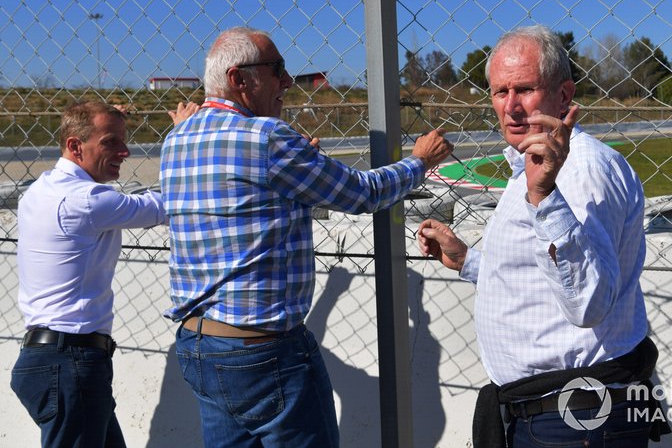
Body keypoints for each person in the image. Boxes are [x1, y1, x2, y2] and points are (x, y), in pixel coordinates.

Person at [159, 26, 453, 448]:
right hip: (263, 352)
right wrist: (419, 162)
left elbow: (243, 208)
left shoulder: (176, 140)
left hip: (199, 344)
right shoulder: (267, 138)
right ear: (239, 79)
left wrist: (300, 164)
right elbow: (361, 194)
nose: (287, 82)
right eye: (276, 69)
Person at [417, 25, 669, 447]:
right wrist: (468, 261)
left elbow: (588, 302)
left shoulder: (580, 171)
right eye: (500, 92)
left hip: (577, 415)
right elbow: (544, 278)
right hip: (555, 411)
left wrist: (545, 195)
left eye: (526, 89)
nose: (511, 107)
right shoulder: (536, 164)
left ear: (565, 95)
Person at [11, 99, 198, 447]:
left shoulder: (40, 191)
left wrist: (99, 117)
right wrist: (183, 134)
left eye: (123, 140)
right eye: (111, 142)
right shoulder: (87, 201)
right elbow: (171, 202)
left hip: (51, 360)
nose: (125, 151)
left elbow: (82, 129)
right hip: (70, 363)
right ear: (74, 146)